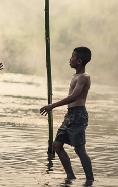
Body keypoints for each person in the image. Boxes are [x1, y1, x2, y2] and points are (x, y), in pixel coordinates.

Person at [40, 47, 94, 186]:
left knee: (79, 149)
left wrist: (52, 105)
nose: (70, 59)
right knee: (57, 145)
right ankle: (70, 176)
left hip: (78, 115)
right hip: (70, 115)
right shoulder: (75, 76)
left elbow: (74, 97)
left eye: (72, 57)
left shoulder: (84, 77)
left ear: (79, 61)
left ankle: (90, 180)